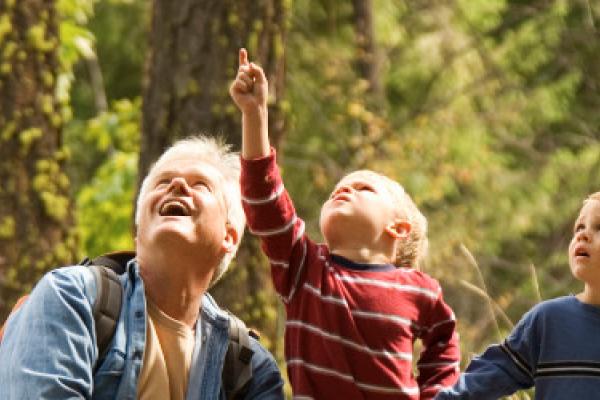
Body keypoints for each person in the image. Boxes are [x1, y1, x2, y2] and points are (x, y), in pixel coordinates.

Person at [230, 48, 460, 399]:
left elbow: (443, 346)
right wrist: (255, 114)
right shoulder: (304, 268)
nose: (344, 190)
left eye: (362, 188)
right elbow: (265, 200)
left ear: (398, 229)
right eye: (337, 189)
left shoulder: (420, 290)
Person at [0, 135, 284, 399]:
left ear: (228, 236)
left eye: (200, 185)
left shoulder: (250, 368)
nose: (178, 186)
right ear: (139, 230)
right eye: (163, 182)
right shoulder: (72, 298)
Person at [436, 191, 600, 399]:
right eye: (579, 227)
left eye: (599, 227)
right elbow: (496, 371)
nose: (582, 235)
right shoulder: (549, 320)